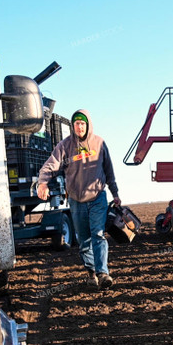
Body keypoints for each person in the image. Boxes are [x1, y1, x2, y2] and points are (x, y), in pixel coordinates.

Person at [37, 109, 121, 289]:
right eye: (76, 123)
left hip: (98, 197)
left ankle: (103, 273)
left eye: (83, 123)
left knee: (98, 234)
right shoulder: (65, 146)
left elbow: (109, 171)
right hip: (76, 200)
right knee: (84, 240)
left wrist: (115, 193)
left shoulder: (99, 143)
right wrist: (42, 183)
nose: (80, 126)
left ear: (88, 125)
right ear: (72, 126)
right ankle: (91, 272)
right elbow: (50, 166)